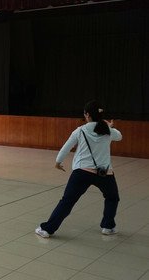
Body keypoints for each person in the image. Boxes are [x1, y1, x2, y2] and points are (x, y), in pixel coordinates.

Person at [35, 100, 122, 238]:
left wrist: (58, 162)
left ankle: (47, 229)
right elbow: (119, 136)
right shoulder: (107, 131)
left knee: (67, 201)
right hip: (104, 173)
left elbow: (66, 147)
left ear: (87, 115)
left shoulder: (80, 130)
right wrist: (110, 126)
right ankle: (108, 226)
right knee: (112, 198)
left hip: (82, 172)